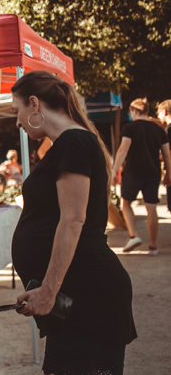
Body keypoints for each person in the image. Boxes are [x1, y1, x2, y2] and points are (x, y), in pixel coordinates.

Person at [10, 71, 137, 375]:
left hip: (89, 294)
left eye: (18, 111)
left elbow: (73, 220)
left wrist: (49, 291)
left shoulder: (74, 141)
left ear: (34, 103)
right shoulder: (70, 142)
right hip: (78, 293)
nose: (17, 122)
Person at [111, 98, 171, 255]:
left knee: (126, 203)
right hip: (153, 172)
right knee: (151, 207)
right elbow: (167, 155)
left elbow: (123, 150)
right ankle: (153, 246)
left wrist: (114, 170)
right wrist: (169, 174)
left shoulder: (130, 128)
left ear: (135, 111)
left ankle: (134, 235)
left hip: (133, 172)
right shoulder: (159, 130)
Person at [157, 99, 171, 213]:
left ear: (165, 112)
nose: (158, 115)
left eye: (159, 112)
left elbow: (167, 154)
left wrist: (168, 174)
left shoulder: (168, 130)